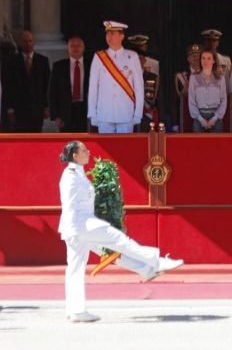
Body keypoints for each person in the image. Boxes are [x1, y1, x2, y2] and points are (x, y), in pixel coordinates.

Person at [58, 140, 183, 322]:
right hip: (81, 225)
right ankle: (155, 262)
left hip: (78, 227)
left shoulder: (76, 173)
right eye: (84, 150)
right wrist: (78, 228)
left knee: (82, 266)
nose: (88, 152)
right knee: (120, 241)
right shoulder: (70, 176)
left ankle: (76, 310)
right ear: (75, 155)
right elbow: (71, 205)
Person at [88, 21, 144, 134]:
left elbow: (139, 87)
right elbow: (93, 87)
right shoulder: (99, 57)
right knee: (106, 149)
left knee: (125, 149)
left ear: (122, 36)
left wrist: (138, 113)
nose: (109, 37)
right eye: (107, 34)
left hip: (126, 113)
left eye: (113, 33)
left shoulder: (132, 56)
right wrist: (92, 114)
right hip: (104, 113)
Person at [1, 30, 51, 132]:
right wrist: (10, 109)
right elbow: (7, 86)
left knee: (36, 138)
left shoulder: (43, 61)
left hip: (37, 108)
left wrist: (47, 106)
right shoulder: (12, 61)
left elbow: (47, 85)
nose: (28, 44)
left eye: (30, 41)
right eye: (25, 41)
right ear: (20, 42)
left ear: (34, 42)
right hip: (19, 108)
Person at [49, 36, 92, 133]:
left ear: (83, 48)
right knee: (67, 141)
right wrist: (56, 116)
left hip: (85, 109)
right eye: (72, 45)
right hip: (65, 110)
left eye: (79, 45)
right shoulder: (59, 66)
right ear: (68, 48)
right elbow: (52, 92)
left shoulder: (92, 65)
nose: (75, 48)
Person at [188, 50, 227, 133]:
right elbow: (191, 100)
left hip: (215, 115)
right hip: (199, 115)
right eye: (203, 58)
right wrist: (201, 119)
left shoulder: (220, 78)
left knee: (216, 144)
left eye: (209, 58)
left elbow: (224, 100)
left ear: (213, 61)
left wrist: (215, 118)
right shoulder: (194, 77)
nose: (205, 61)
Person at [173, 44, 201, 132]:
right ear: (188, 59)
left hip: (205, 118)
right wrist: (175, 124)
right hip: (186, 117)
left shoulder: (209, 76)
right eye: (192, 55)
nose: (195, 57)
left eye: (198, 55)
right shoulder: (181, 77)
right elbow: (175, 102)